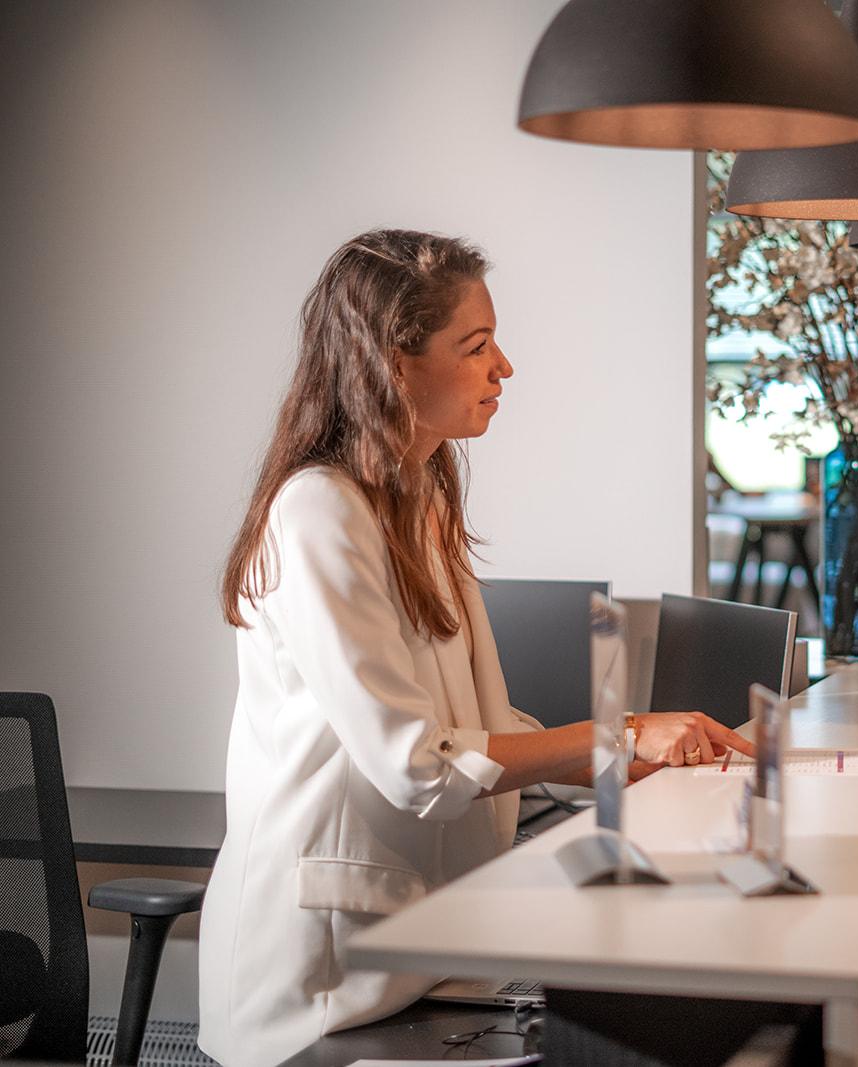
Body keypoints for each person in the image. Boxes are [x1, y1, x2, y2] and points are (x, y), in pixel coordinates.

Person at [198, 230, 754, 1067]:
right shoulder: (319, 510)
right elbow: (416, 762)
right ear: (395, 362)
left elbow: (479, 724)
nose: (505, 368)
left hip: (420, 951)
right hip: (322, 980)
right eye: (476, 345)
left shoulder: (418, 495)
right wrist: (617, 738)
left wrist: (630, 749)